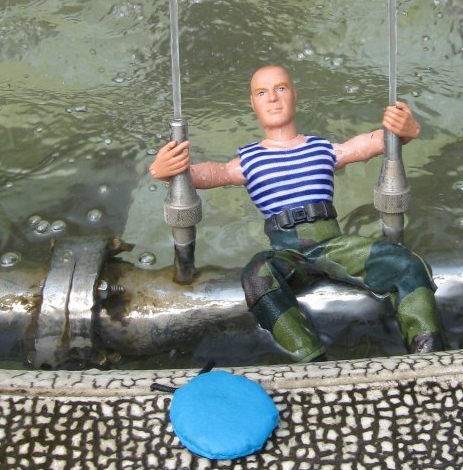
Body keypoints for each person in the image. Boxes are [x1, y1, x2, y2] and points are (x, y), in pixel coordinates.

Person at [149, 65, 444, 362]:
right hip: (286, 253)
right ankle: (310, 358)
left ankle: (427, 348)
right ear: (252, 104)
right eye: (262, 93)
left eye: (281, 88)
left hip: (331, 245)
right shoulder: (249, 159)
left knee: (405, 262)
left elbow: (363, 145)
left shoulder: (321, 148)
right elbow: (215, 172)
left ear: (294, 94)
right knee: (256, 276)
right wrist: (167, 171)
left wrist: (404, 132)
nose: (272, 98)